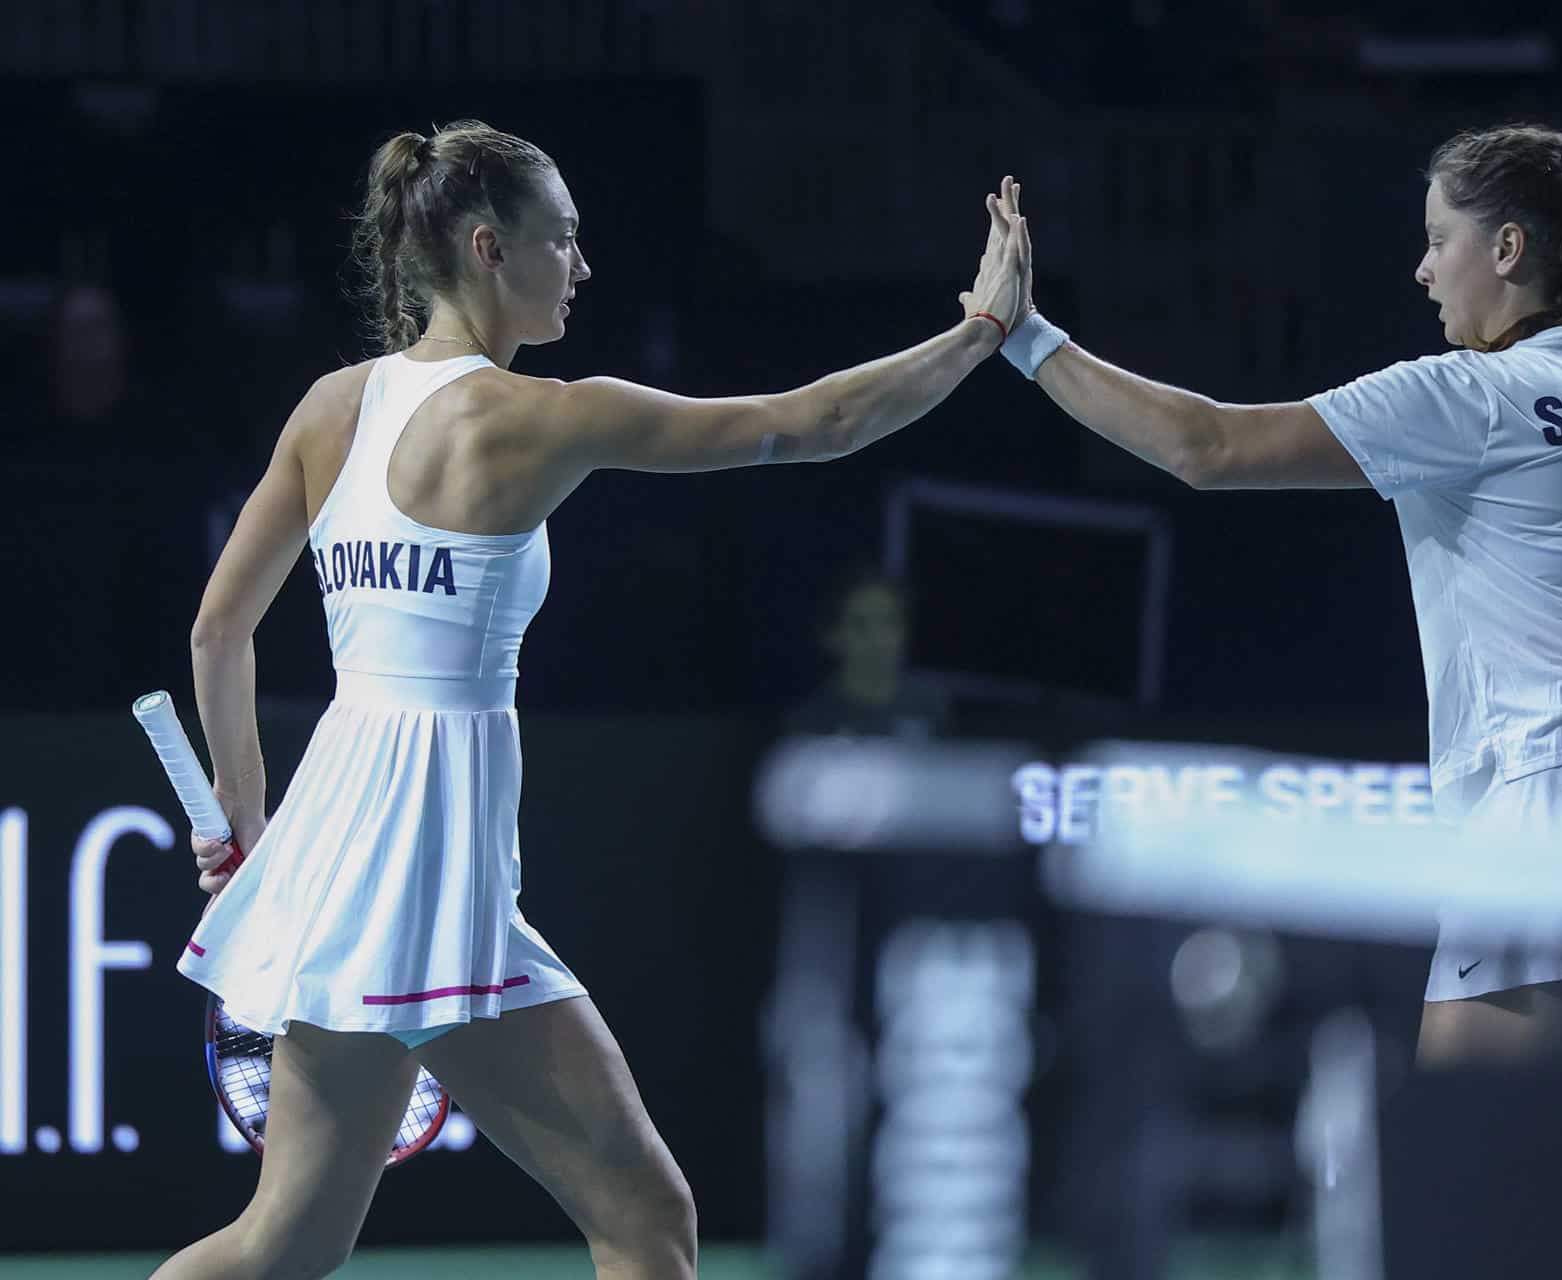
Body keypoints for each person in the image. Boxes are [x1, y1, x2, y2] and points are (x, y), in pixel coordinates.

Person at [154, 122, 1028, 1280]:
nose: (581, 266)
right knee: (645, 1222)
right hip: (422, 876)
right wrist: (980, 331)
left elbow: (221, 628)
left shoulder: (331, 406)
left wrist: (248, 819)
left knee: (290, 1239)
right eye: (560, 241)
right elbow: (817, 421)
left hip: (346, 862)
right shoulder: (540, 416)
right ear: (486, 249)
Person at [993, 125, 1562, 1067]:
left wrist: (1027, 339)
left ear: (1506, 249)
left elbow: (1208, 446)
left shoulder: (1472, 396)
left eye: (1439, 239)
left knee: (1464, 1179)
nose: (1421, 270)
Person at [786, 567, 949, 738]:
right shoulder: (809, 721)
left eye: (889, 622)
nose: (877, 639)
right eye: (860, 625)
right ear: (832, 636)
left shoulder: (930, 704)